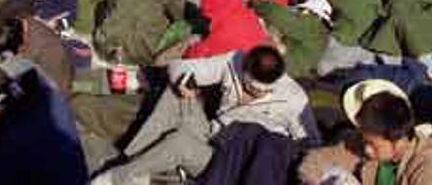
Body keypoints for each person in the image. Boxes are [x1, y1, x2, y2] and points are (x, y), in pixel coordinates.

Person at [96, 46, 318, 184]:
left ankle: (120, 176)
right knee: (174, 94)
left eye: (261, 90)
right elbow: (179, 67)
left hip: (229, 160)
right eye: (249, 85)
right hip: (212, 130)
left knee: (180, 143)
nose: (252, 92)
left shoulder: (295, 99)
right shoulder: (234, 61)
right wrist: (186, 83)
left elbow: (312, 144)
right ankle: (135, 157)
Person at [299, 79, 432, 185]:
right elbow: (318, 159)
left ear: (396, 139)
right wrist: (313, 180)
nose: (367, 149)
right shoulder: (367, 142)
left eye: (373, 145)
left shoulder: (431, 168)